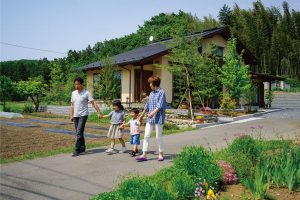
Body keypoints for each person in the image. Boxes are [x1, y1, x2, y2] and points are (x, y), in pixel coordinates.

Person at [136, 75, 166, 162]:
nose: (149, 85)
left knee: (158, 136)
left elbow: (160, 106)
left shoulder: (161, 92)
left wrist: (152, 113)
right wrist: (141, 115)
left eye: (150, 83)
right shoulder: (152, 93)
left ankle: (161, 154)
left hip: (158, 117)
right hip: (150, 118)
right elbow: (147, 106)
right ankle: (144, 154)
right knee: (146, 135)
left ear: (154, 84)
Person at [70, 77, 102, 157]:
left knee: (78, 132)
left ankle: (77, 150)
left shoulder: (86, 93)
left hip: (83, 115)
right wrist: (71, 115)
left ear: (81, 84)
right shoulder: (73, 93)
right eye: (75, 84)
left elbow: (93, 103)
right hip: (76, 115)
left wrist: (99, 112)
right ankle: (82, 148)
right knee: (79, 133)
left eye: (78, 84)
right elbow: (72, 105)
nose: (76, 86)